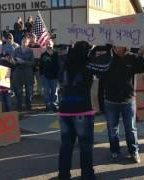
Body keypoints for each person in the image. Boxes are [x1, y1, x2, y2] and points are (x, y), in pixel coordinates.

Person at [101, 46, 144, 163]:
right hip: (110, 101)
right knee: (112, 129)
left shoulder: (132, 57)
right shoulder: (106, 57)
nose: (118, 47)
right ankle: (115, 151)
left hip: (128, 101)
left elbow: (143, 68)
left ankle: (133, 151)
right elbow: (99, 77)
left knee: (131, 129)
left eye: (120, 44)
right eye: (115, 44)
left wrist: (141, 55)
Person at [58, 41, 95, 180]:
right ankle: (87, 175)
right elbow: (103, 65)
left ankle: (63, 175)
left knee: (66, 146)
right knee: (85, 147)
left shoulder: (64, 66)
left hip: (64, 110)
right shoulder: (88, 66)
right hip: (82, 110)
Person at [12, 37, 35, 111]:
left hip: (28, 72)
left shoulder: (30, 51)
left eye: (26, 42)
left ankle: (28, 105)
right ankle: (19, 106)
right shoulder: (16, 50)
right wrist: (15, 62)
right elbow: (13, 60)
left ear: (28, 43)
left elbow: (32, 62)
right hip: (18, 72)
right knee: (18, 91)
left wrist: (24, 62)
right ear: (21, 42)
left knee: (29, 91)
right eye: (23, 41)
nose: (24, 43)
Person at [39, 39, 59, 111]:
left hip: (54, 77)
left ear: (52, 45)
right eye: (47, 44)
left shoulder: (56, 54)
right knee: (46, 92)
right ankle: (48, 105)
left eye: (50, 44)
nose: (48, 45)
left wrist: (57, 75)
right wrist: (41, 74)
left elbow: (58, 65)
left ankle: (55, 105)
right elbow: (40, 65)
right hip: (45, 77)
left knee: (54, 92)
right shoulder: (43, 55)